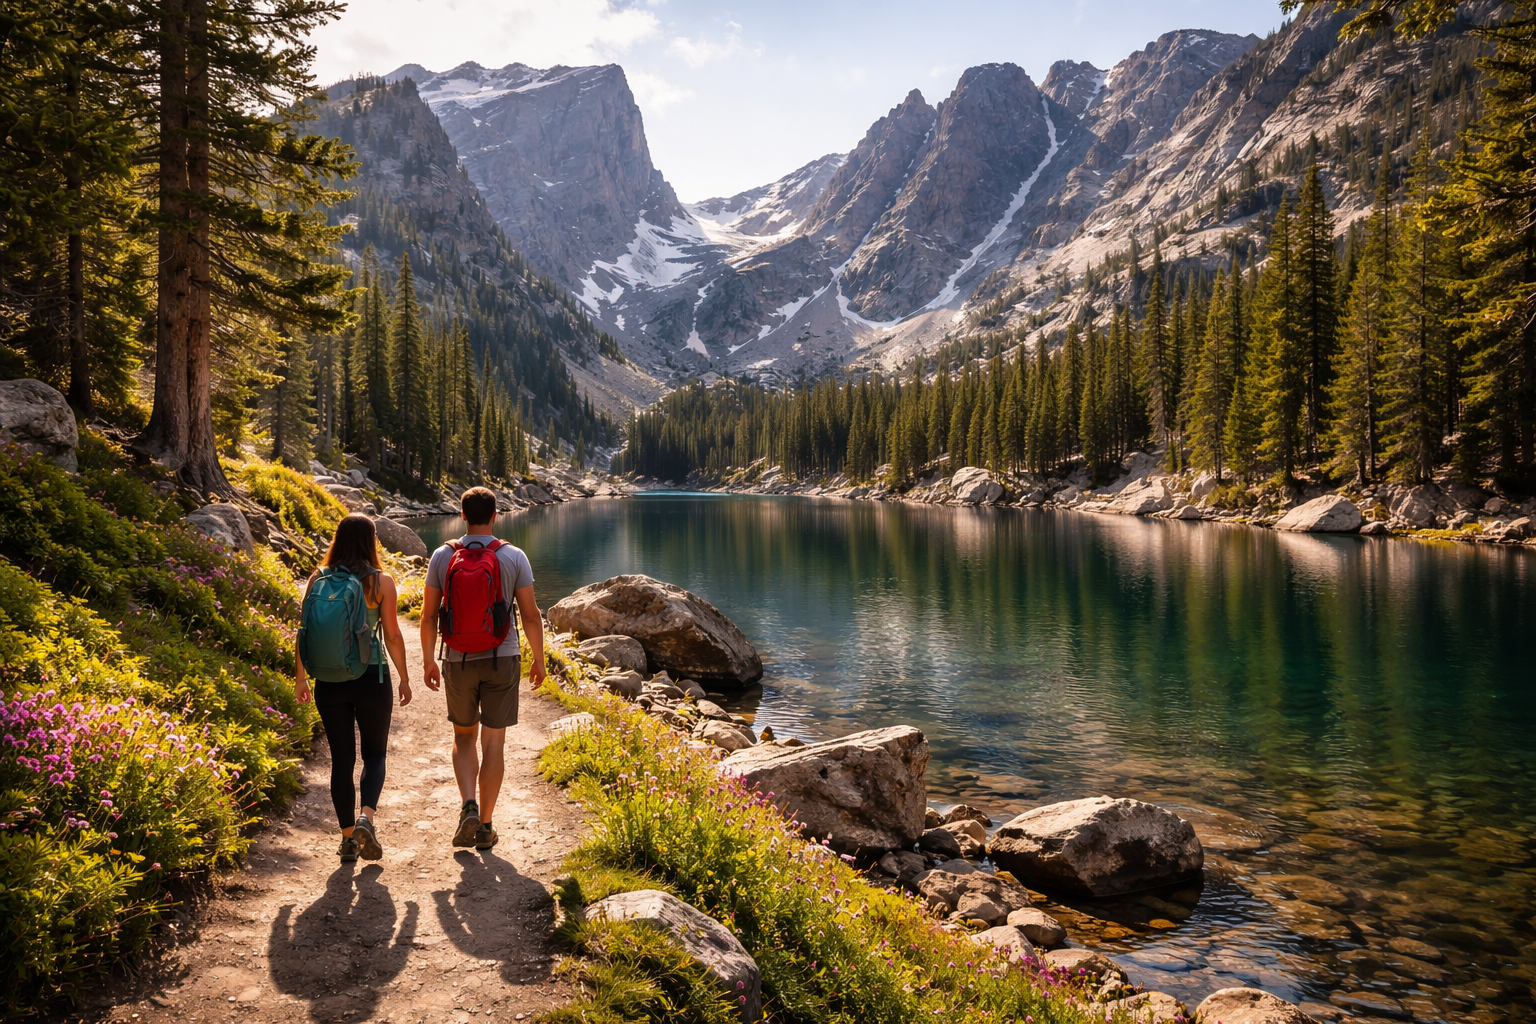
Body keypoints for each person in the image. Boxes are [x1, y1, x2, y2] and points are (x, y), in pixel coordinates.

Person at [420, 486, 545, 851]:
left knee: (463, 737)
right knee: (494, 743)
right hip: (502, 658)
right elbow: (531, 615)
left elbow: (428, 616)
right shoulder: (513, 556)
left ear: (462, 515)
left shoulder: (443, 556)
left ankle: (467, 806)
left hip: (457, 659)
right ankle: (486, 826)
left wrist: (429, 659)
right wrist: (538, 659)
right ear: (494, 515)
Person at [295, 514, 412, 863]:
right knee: (374, 754)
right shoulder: (380, 582)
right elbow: (391, 634)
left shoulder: (318, 578)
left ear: (339, 540)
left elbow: (303, 632)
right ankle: (367, 818)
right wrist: (405, 677)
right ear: (371, 541)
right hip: (371, 676)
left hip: (328, 681)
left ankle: (347, 839)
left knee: (341, 761)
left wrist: (301, 677)